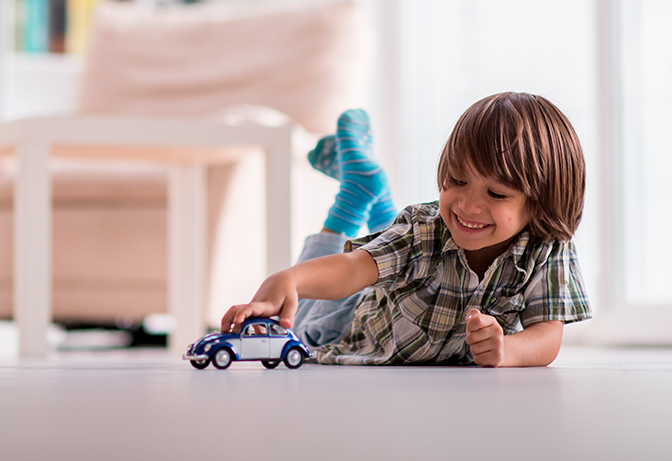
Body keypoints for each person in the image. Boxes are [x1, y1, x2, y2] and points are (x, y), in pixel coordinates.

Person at [221, 92, 592, 367]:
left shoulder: (548, 247)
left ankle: (369, 191)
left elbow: (547, 336)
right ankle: (352, 199)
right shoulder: (423, 229)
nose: (467, 204)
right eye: (456, 180)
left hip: (403, 292)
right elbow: (353, 269)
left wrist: (507, 351)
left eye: (495, 193)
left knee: (399, 251)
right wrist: (291, 279)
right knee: (300, 326)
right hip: (347, 320)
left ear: (540, 203)